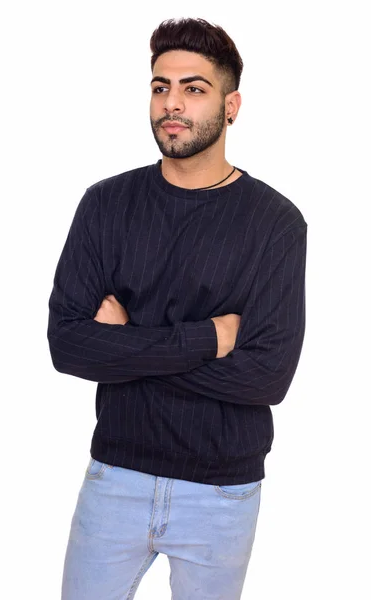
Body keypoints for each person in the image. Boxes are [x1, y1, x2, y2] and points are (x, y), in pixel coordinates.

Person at [47, 17, 307, 600]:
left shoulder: (276, 224)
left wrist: (126, 343)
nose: (172, 104)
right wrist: (207, 338)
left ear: (231, 105)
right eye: (161, 86)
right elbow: (67, 345)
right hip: (116, 476)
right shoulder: (106, 204)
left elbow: (268, 374)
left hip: (221, 493)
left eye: (195, 88)